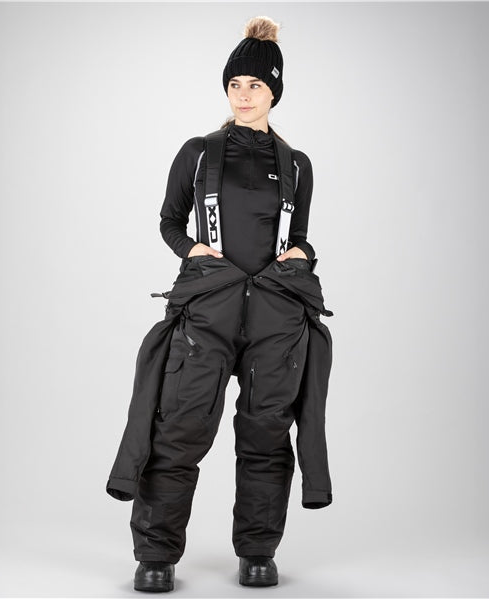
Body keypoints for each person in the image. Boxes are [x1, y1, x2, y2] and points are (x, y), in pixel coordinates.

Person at [106, 15, 334, 593]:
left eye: (255, 85)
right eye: (235, 84)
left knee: (267, 435)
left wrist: (302, 253)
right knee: (178, 430)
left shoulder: (297, 163)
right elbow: (169, 220)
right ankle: (156, 556)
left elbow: (300, 235)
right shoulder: (199, 153)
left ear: (274, 91)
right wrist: (192, 248)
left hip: (276, 318)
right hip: (208, 311)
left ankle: (258, 551)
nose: (243, 94)